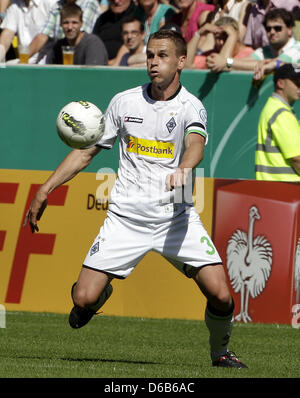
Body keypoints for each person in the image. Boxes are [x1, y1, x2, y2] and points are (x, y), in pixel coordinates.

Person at [24, 29, 248, 369]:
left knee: (220, 294)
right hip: (125, 220)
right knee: (82, 298)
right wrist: (45, 188)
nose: (154, 62)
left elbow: (195, 144)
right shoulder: (124, 102)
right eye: (150, 55)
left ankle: (220, 352)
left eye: (162, 56)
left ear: (181, 61)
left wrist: (185, 169)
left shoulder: (191, 106)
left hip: (176, 220)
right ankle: (99, 294)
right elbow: (86, 153)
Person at [206, 8, 300, 72]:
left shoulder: (297, 48)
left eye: (277, 28)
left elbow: (274, 64)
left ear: (289, 30)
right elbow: (242, 62)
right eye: (268, 29)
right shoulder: (265, 50)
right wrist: (224, 62)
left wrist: (227, 63)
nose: (272, 32)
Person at [255, 63, 300, 181]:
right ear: (280, 83)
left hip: (274, 189)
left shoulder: (272, 107)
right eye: (297, 83)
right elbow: (297, 158)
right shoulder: (281, 113)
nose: (299, 88)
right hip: (285, 190)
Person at [29, 0, 101, 63]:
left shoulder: (89, 3)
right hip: (59, 54)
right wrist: (22, 60)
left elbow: (78, 35)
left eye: (74, 23)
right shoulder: (57, 5)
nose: (70, 27)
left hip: (83, 55)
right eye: (65, 23)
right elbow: (42, 35)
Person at [185, 16, 254, 69]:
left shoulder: (248, 53)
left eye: (225, 38)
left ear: (236, 37)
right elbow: (186, 65)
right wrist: (198, 33)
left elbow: (221, 66)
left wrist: (232, 35)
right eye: (218, 38)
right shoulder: (212, 54)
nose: (221, 42)